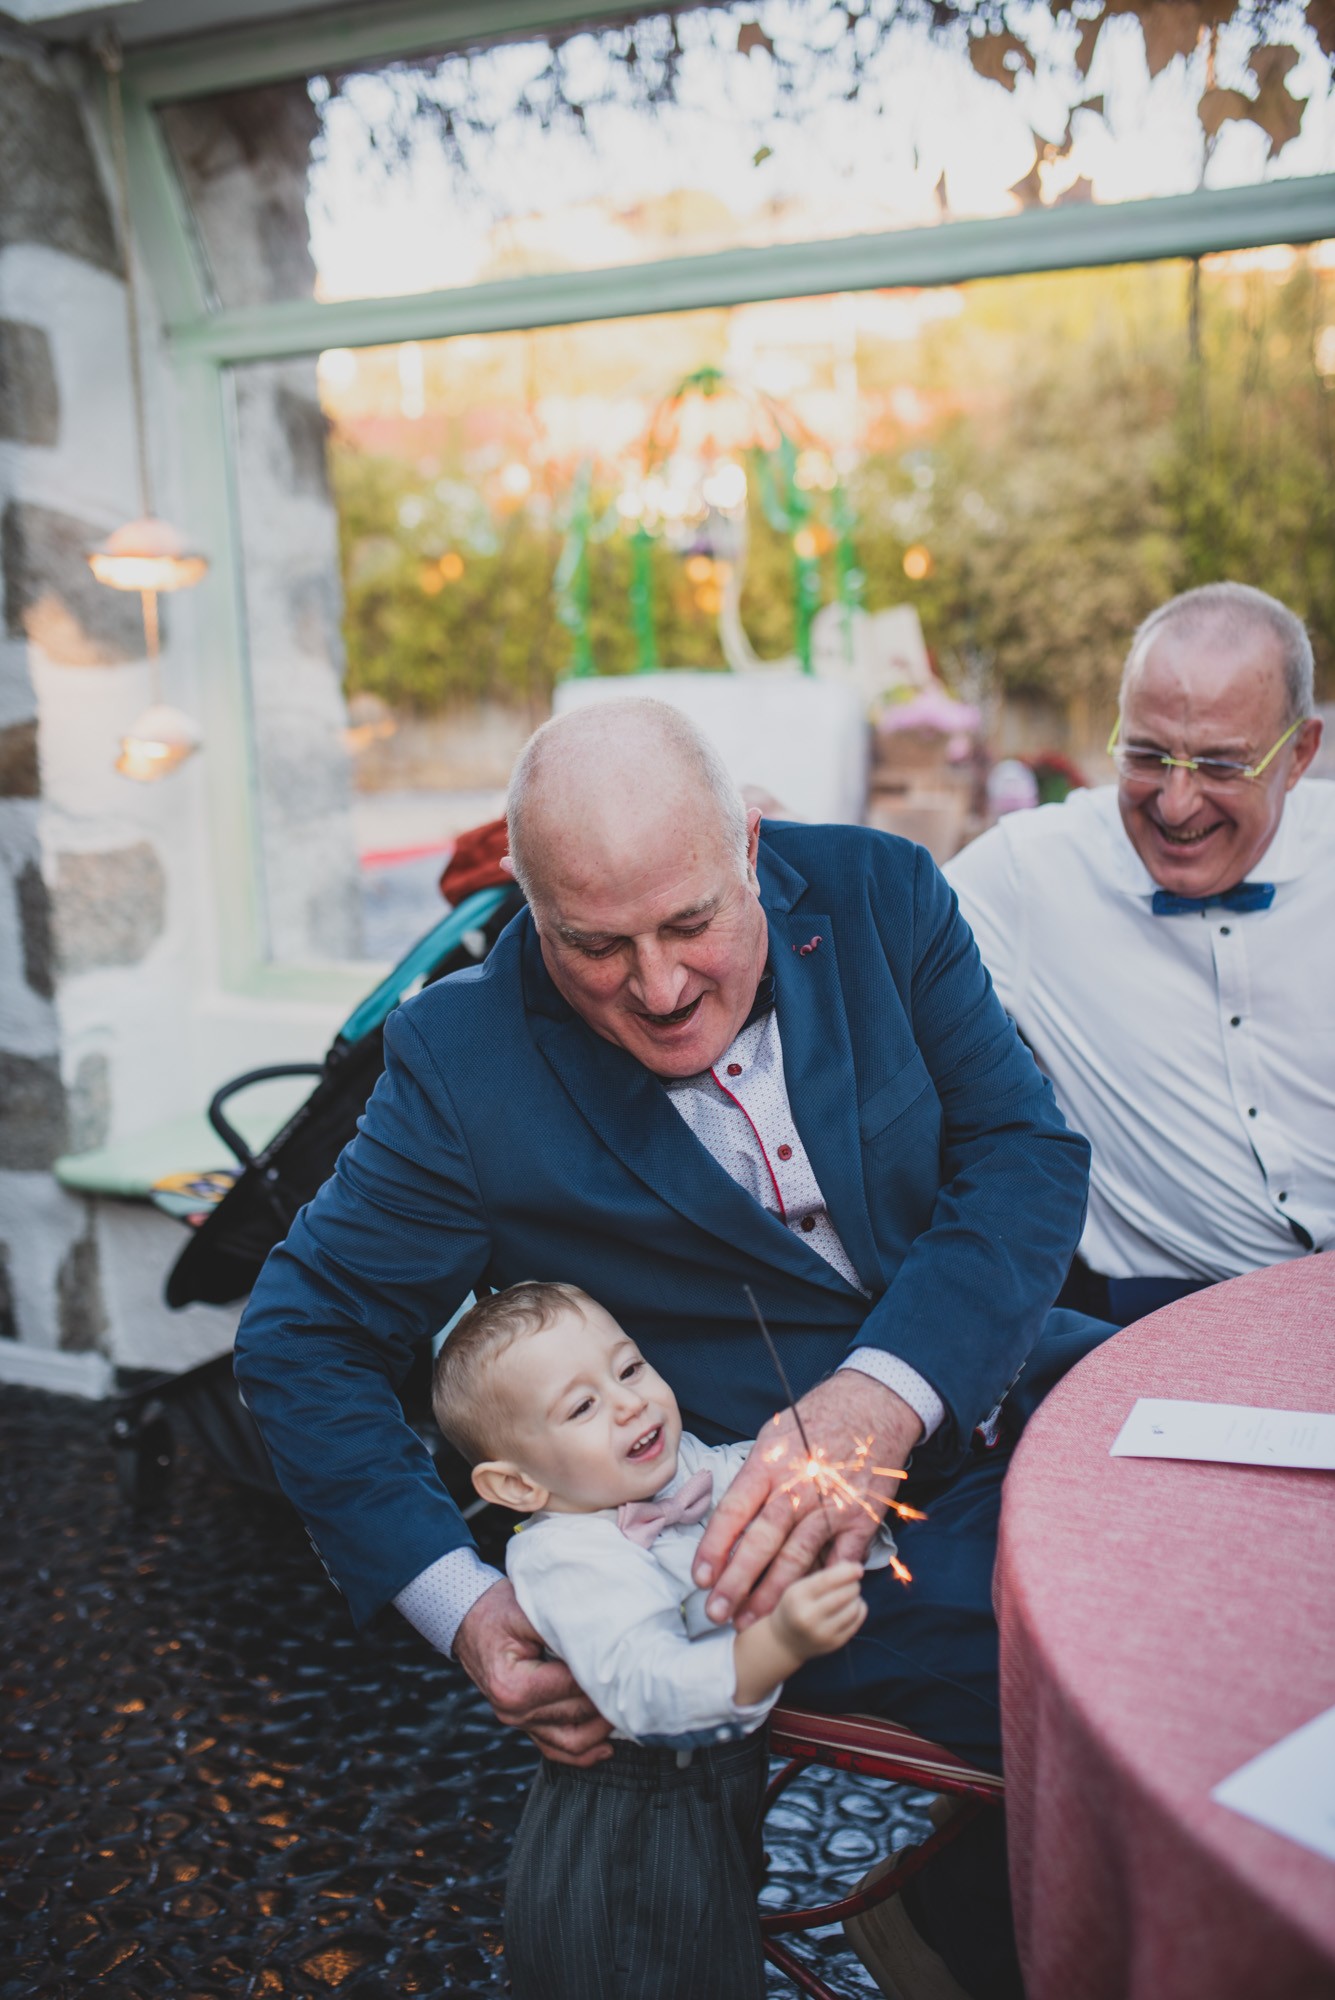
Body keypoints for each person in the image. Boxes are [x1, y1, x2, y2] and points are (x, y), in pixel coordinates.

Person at [234, 697, 1109, 1999]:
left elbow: (1021, 1152)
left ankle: (959, 1909)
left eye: (690, 923)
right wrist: (465, 1608)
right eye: (594, 946)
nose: (657, 988)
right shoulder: (461, 1063)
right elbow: (299, 1337)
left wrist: (882, 1391)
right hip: (784, 1542)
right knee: (1122, 1669)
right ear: (531, 911)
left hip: (1021, 1376)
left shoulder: (880, 893)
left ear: (747, 845)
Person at [435, 1278, 874, 2000]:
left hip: (713, 1794)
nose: (629, 1403)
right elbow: (649, 1689)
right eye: (582, 1406)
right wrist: (776, 1643)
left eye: (630, 1367)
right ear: (515, 1487)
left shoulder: (682, 1469)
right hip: (633, 1834)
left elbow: (764, 1479)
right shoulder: (567, 1558)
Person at [946, 582, 1332, 1326]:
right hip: (1160, 1315)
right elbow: (874, 918)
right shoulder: (1033, 871)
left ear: (1300, 753)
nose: (1176, 803)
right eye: (1148, 756)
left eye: (1221, 765)